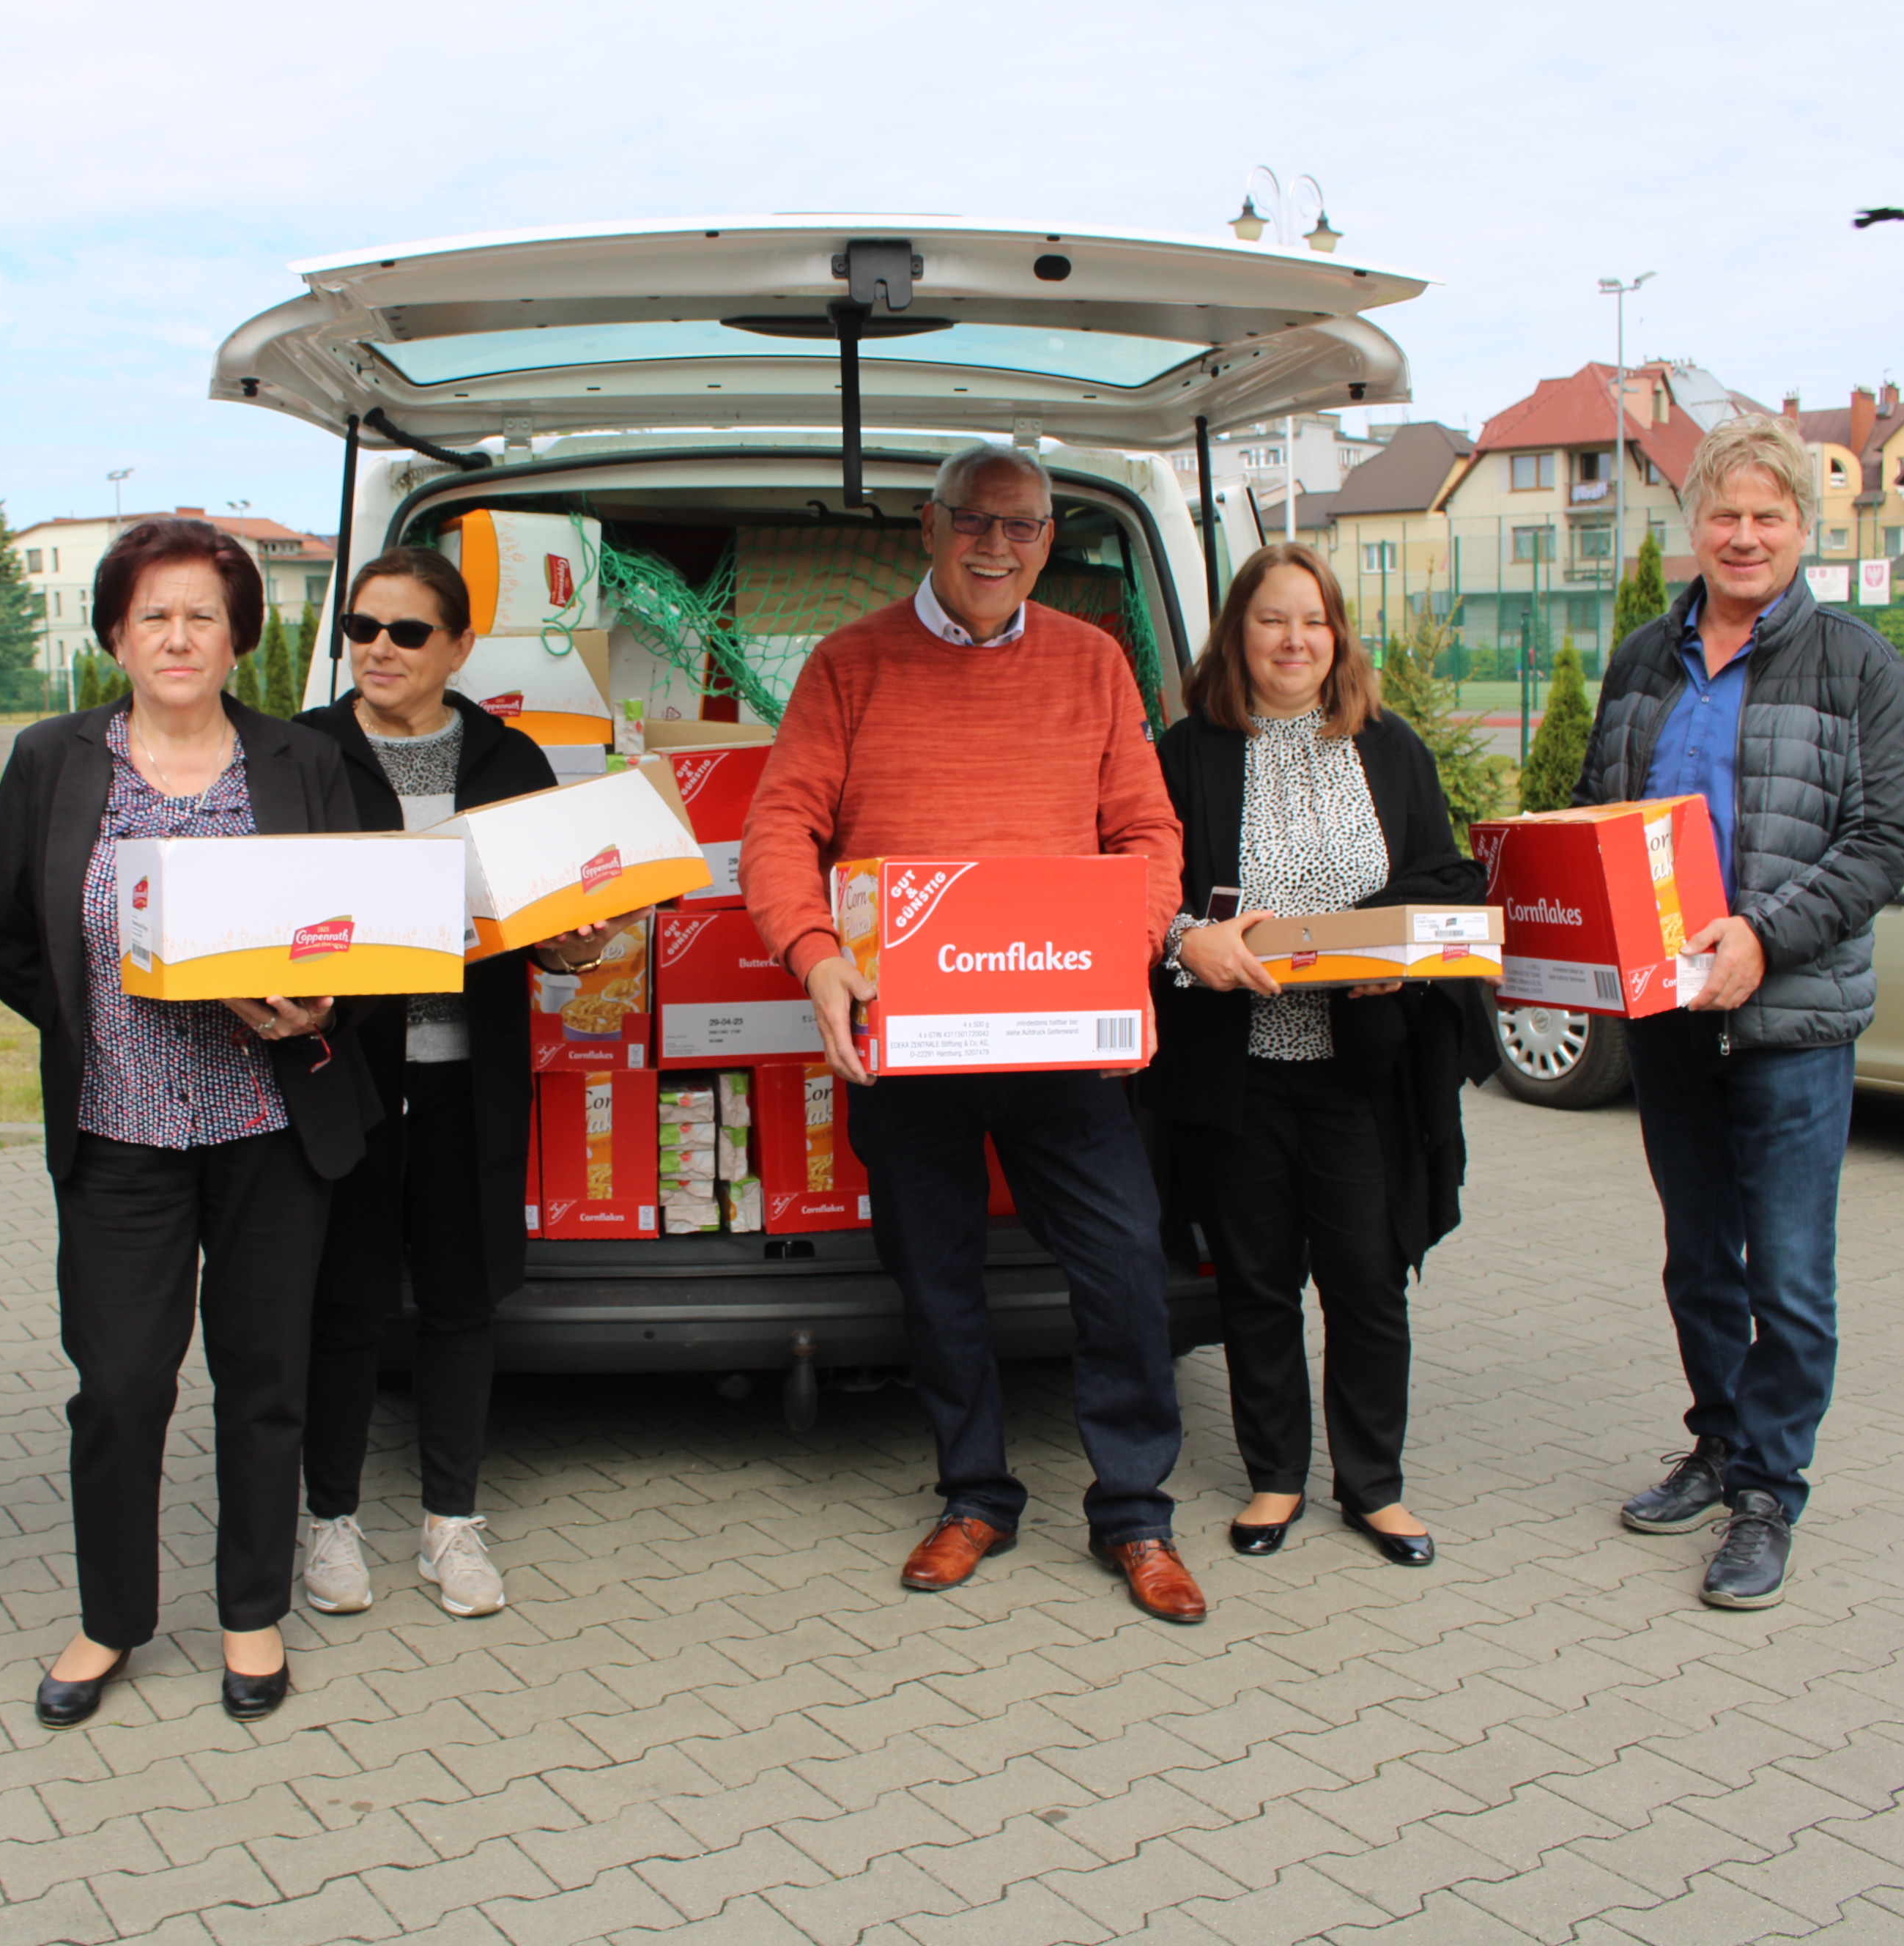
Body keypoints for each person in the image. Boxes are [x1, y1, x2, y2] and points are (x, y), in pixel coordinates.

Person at [742, 443, 1204, 1623]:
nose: (997, 546)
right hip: (909, 1042)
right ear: (929, 525)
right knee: (936, 1277)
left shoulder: (1093, 663)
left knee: (1124, 1265)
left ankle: (1135, 1514)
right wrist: (816, 953)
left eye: (1023, 525)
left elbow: (1148, 834)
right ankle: (975, 1496)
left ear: (1048, 540)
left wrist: (1122, 952)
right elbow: (781, 829)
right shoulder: (849, 664)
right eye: (975, 521)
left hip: (1061, 1035)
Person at [0, 517, 383, 1728]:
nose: (178, 636)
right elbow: (5, 936)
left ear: (239, 635)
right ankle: (111, 1620)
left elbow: (365, 923)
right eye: (153, 614)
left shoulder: (302, 761)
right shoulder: (52, 761)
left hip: (270, 1127)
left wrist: (320, 1005)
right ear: (115, 633)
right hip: (119, 1128)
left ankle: (251, 1611)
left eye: (204, 613)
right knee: (118, 1386)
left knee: (264, 1379)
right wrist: (93, 1015)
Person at [1582, 415, 1904, 1610]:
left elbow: (1885, 838)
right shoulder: (1642, 658)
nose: (1743, 536)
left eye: (1768, 516)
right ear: (1695, 526)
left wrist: (1763, 936)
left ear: (1802, 531)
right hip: (1668, 1015)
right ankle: (1720, 1443)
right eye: (1723, 514)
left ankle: (1770, 1492)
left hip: (1791, 1020)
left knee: (1788, 1274)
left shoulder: (1857, 666)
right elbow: (1596, 810)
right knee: (1698, 1259)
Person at [295, 547, 639, 1619]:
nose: (378, 649)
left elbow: (547, 929)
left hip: (465, 1080)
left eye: (406, 632)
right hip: (345, 1078)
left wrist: (578, 946)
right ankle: (331, 1520)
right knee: (342, 1305)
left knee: (458, 1303)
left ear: (458, 647)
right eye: (361, 628)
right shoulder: (302, 752)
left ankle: (451, 1522)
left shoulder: (509, 757)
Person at [1142, 543, 1493, 1571]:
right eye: (1272, 620)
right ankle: (1275, 1476)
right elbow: (1147, 892)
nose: (1294, 640)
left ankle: (1374, 1486)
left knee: (1367, 1282)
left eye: (1314, 620)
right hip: (1238, 1069)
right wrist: (1189, 939)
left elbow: (1445, 880)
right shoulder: (1188, 753)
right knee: (1257, 1283)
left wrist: (1399, 962)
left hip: (1360, 1073)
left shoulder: (1390, 747)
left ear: (1338, 635)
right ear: (1237, 636)